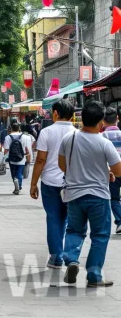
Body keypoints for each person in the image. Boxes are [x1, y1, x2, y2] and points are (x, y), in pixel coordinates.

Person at [58, 101, 121, 287]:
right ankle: (94, 276)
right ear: (101, 121)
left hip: (74, 195)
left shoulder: (69, 138)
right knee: (100, 235)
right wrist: (105, 171)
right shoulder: (104, 143)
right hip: (99, 197)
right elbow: (118, 171)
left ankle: (71, 260)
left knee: (74, 231)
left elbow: (63, 166)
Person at [29, 100, 76, 269]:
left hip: (50, 183)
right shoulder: (76, 133)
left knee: (54, 219)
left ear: (55, 113)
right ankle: (70, 257)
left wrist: (33, 183)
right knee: (71, 220)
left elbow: (41, 159)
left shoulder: (47, 132)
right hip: (71, 183)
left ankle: (56, 258)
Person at [101, 107, 121, 234]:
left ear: (103, 121)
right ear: (117, 119)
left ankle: (120, 221)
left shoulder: (101, 136)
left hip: (111, 172)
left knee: (114, 198)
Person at [4, 122, 33, 194]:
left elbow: (6, 150)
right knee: (19, 172)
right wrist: (29, 158)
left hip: (11, 158)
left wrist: (4, 159)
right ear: (19, 128)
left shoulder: (7, 137)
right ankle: (19, 186)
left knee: (13, 172)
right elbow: (27, 149)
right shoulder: (25, 137)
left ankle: (15, 182)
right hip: (22, 158)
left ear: (11, 128)